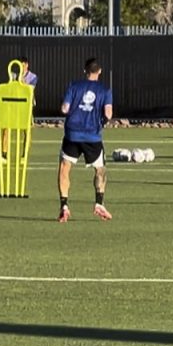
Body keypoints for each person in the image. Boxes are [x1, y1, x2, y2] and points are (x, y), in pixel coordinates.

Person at [58, 57, 114, 222]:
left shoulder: (74, 86)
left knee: (64, 168)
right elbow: (108, 114)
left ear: (85, 71)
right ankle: (99, 203)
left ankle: (64, 206)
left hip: (72, 134)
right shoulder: (105, 90)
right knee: (100, 169)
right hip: (92, 135)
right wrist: (101, 122)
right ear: (100, 71)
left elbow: (64, 108)